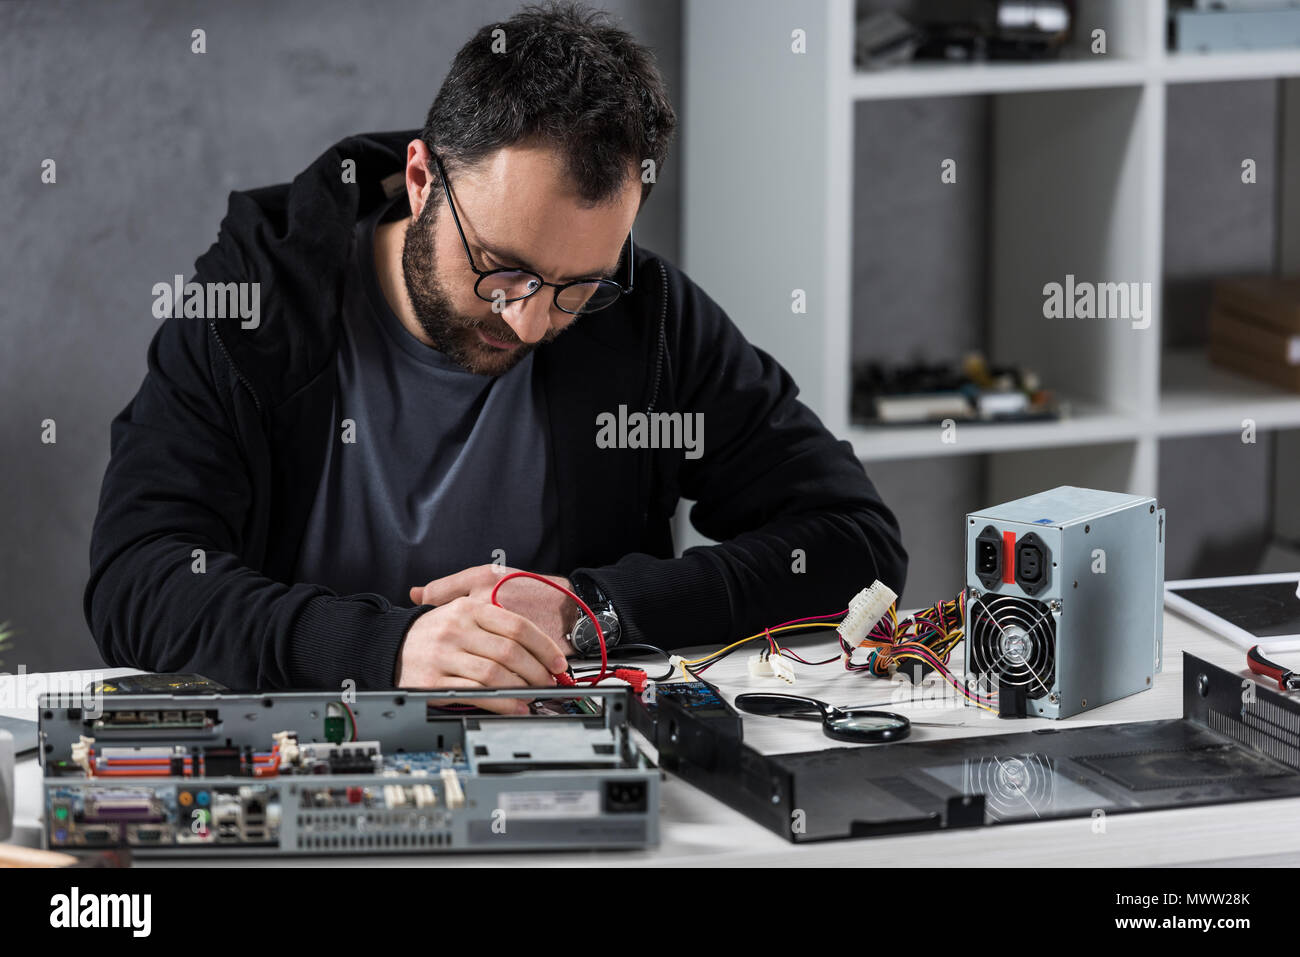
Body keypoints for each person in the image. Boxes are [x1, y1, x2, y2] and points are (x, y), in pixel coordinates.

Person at [85, 2, 906, 710]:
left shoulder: (644, 316)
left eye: (576, 285)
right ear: (420, 180)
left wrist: (596, 610)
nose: (529, 320)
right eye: (500, 268)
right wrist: (389, 651)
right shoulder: (253, 307)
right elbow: (138, 579)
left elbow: (853, 540)